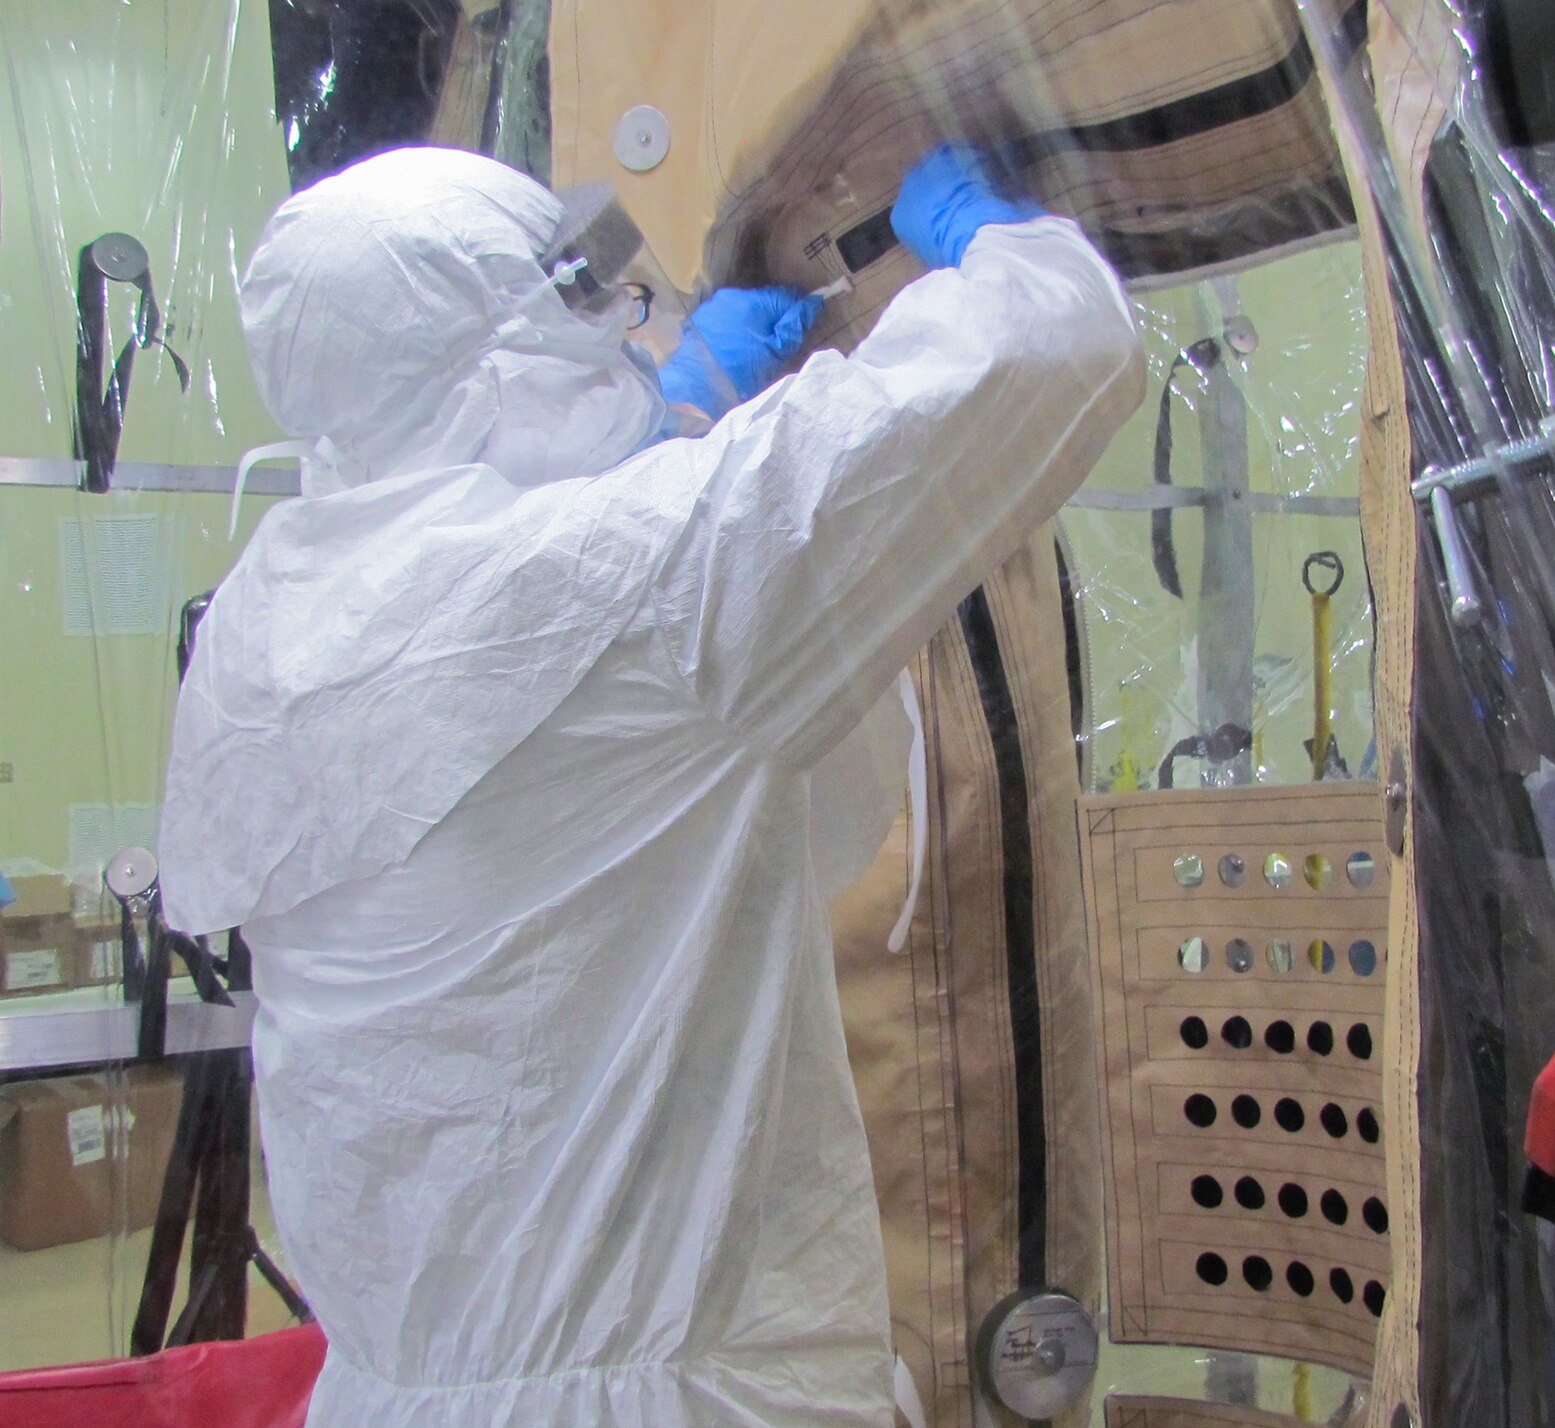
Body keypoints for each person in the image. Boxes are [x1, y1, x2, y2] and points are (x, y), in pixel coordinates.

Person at [156, 143, 1143, 1426]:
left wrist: (677, 423)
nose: (633, 335)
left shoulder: (269, 623)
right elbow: (1047, 357)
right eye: (588, 318)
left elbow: (542, 637)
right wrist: (994, 239)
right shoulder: (642, 593)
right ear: (490, 372)